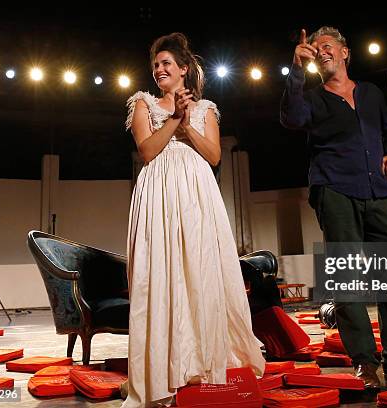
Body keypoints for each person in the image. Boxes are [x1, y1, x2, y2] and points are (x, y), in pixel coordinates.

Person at [280, 26, 387, 389]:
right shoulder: (312, 97)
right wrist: (295, 68)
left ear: (345, 52)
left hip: (378, 192)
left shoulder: (370, 93)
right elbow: (291, 117)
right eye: (316, 48)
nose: (322, 51)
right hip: (335, 189)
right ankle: (365, 364)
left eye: (328, 46)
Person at [123, 32, 265, 407]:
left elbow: (214, 155)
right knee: (163, 274)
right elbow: (149, 151)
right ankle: (164, 370)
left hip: (198, 197)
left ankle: (204, 363)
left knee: (200, 271)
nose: (159, 70)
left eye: (166, 63)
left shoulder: (207, 109)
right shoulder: (143, 104)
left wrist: (188, 124)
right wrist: (173, 119)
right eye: (155, 65)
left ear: (184, 69)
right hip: (158, 194)